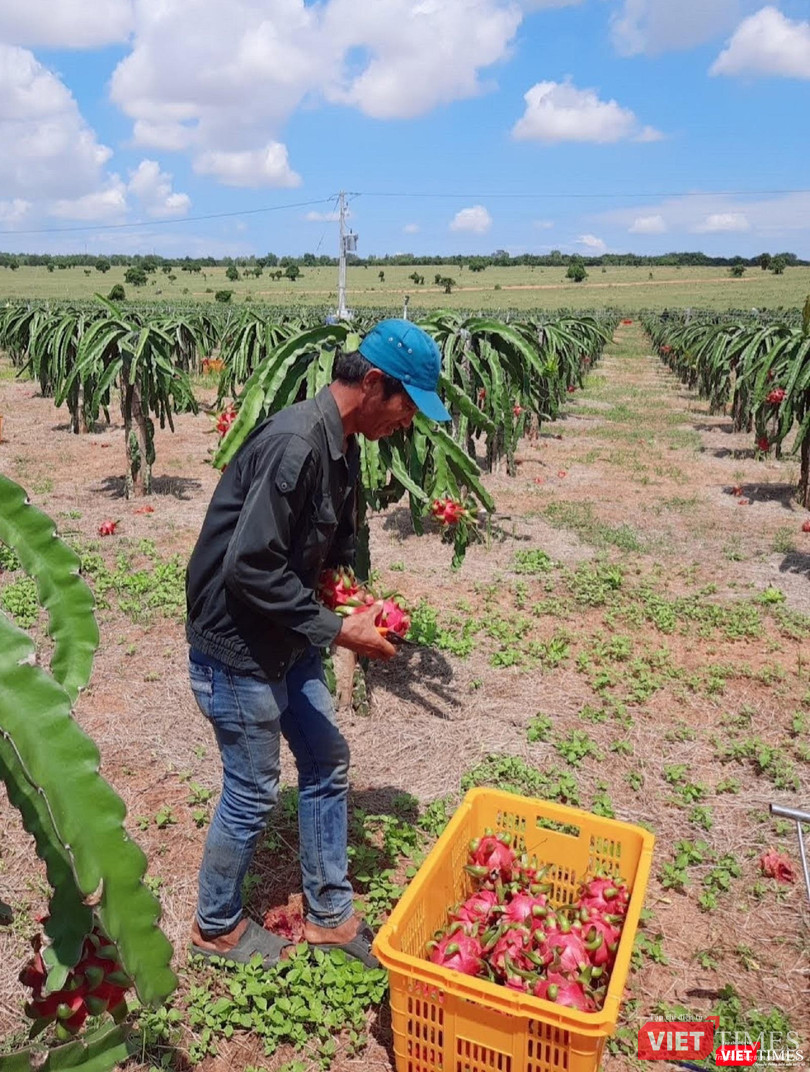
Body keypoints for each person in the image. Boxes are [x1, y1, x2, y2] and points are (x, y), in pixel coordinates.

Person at [185, 318, 451, 969]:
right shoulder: (298, 445)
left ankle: (330, 912)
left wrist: (354, 604)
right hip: (238, 647)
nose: (410, 423)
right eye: (408, 405)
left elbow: (322, 556)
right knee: (252, 788)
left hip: (288, 632)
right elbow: (248, 567)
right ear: (374, 383)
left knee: (326, 757)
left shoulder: (344, 444)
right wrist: (339, 630)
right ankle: (215, 926)